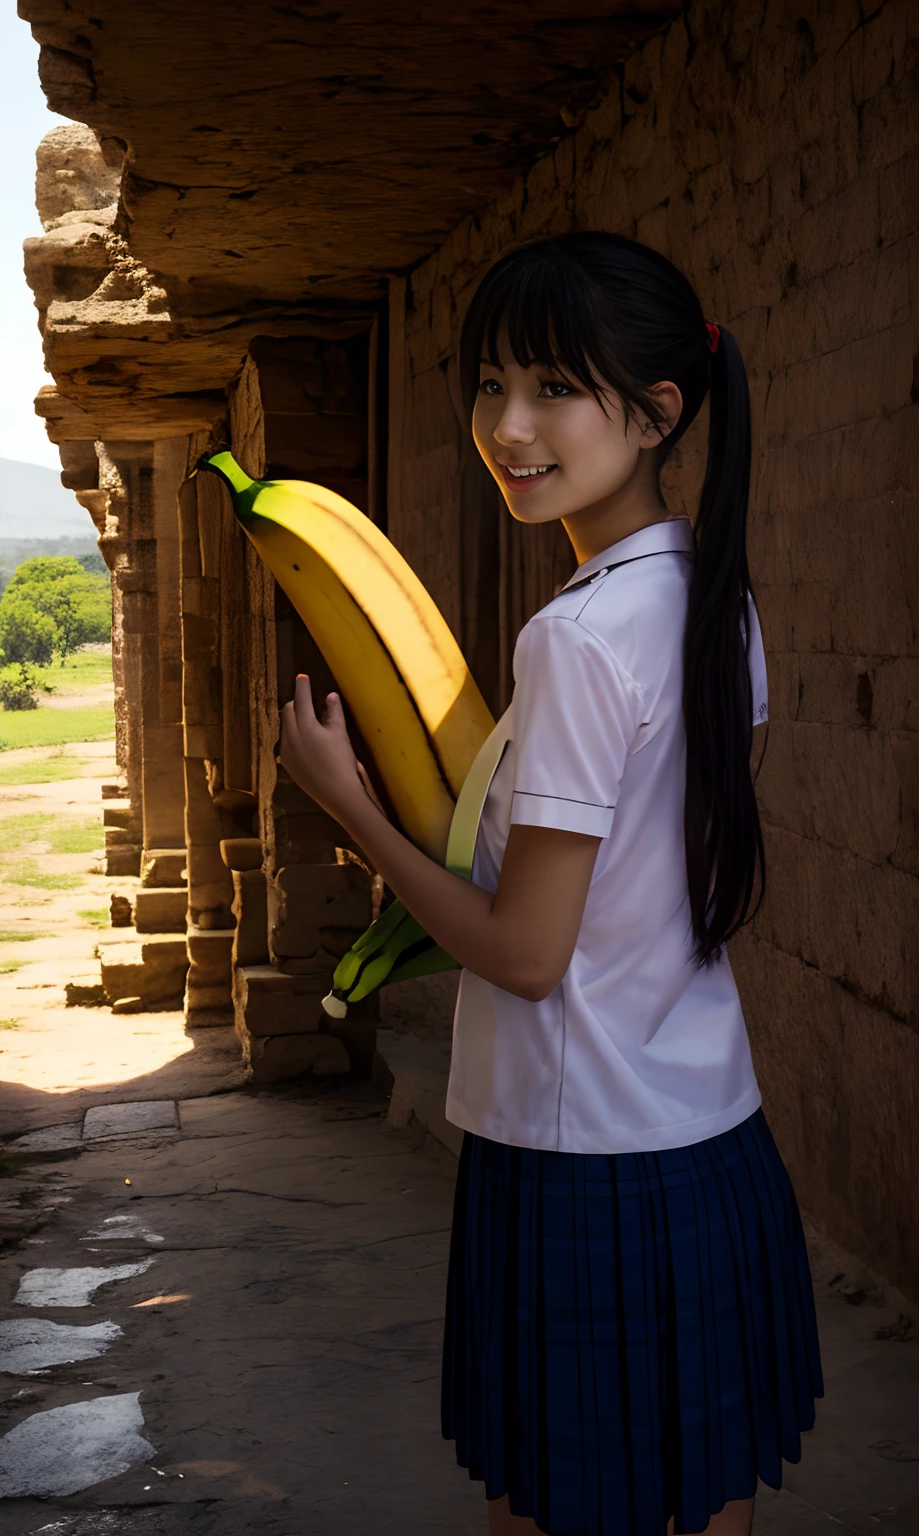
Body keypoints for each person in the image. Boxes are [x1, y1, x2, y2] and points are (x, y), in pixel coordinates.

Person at [277, 231, 823, 1536]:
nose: (510, 426)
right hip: (708, 1128)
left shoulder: (575, 638)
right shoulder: (710, 599)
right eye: (489, 384)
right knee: (703, 1505)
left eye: (555, 389)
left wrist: (352, 806)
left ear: (655, 413)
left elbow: (529, 953)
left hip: (588, 1162)